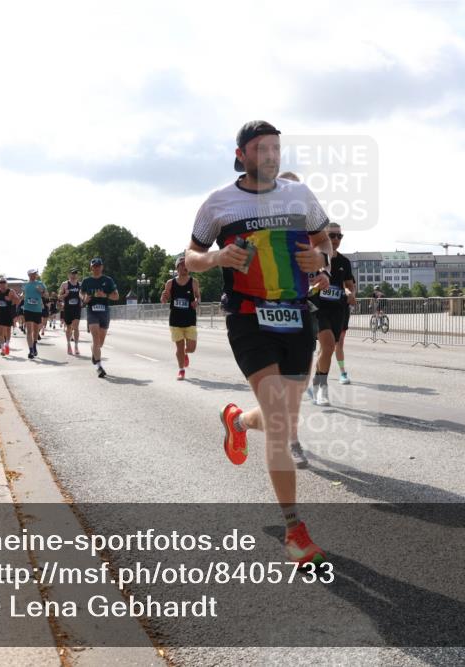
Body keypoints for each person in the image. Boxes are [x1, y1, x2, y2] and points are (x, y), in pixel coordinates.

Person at [185, 120, 334, 564]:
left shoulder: (300, 195)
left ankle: (237, 421)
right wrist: (215, 257)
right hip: (248, 317)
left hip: (296, 316)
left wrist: (321, 261)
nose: (271, 155)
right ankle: (294, 531)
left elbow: (324, 240)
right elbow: (190, 257)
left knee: (283, 421)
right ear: (242, 154)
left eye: (276, 148)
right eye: (261, 148)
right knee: (280, 425)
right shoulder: (218, 204)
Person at [309, 222, 356, 405]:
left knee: (325, 351)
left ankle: (316, 382)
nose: (336, 240)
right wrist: (314, 286)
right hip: (319, 309)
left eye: (339, 236)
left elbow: (350, 285)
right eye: (332, 236)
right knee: (328, 347)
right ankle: (322, 388)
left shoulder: (344, 262)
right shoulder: (315, 259)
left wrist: (351, 294)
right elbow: (306, 283)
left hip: (338, 310)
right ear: (324, 238)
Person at [160, 255, 200, 380]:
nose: (185, 267)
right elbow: (163, 301)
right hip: (175, 320)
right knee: (179, 347)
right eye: (182, 265)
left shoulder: (194, 282)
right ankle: (181, 370)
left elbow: (198, 296)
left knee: (192, 348)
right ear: (177, 268)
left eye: (187, 264)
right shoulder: (170, 283)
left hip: (190, 319)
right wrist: (163, 297)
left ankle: (186, 354)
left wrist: (197, 302)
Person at [80, 258, 119, 377]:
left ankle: (94, 354)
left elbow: (116, 296)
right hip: (92, 311)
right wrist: (84, 298)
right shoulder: (87, 281)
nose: (96, 268)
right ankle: (99, 366)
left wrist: (105, 295)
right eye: (94, 266)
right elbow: (81, 293)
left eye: (98, 266)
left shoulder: (108, 280)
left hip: (104, 312)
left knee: (100, 343)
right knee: (96, 338)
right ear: (91, 268)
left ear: (102, 267)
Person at [21, 269, 48, 359]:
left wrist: (41, 291)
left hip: (37, 309)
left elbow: (46, 295)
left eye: (35, 274)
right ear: (29, 275)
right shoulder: (25, 284)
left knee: (36, 331)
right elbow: (23, 294)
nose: (35, 275)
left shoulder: (40, 283)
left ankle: (35, 345)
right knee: (29, 330)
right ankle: (31, 350)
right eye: (33, 274)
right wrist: (21, 296)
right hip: (28, 309)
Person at [0, 278, 19, 356]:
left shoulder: (11, 291)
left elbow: (18, 301)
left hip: (8, 314)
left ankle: (7, 345)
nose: (2, 284)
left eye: (4, 282)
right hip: (0, 314)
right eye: (1, 282)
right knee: (0, 332)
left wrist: (10, 299)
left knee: (7, 332)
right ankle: (3, 349)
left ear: (6, 283)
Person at [59, 268, 83, 356]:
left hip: (77, 308)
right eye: (72, 273)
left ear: (77, 275)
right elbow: (59, 297)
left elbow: (83, 295)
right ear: (69, 275)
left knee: (76, 327)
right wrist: (65, 294)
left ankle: (76, 346)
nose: (74, 275)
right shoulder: (65, 284)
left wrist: (83, 298)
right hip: (67, 309)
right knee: (69, 327)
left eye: (75, 273)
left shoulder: (80, 285)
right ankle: (69, 344)